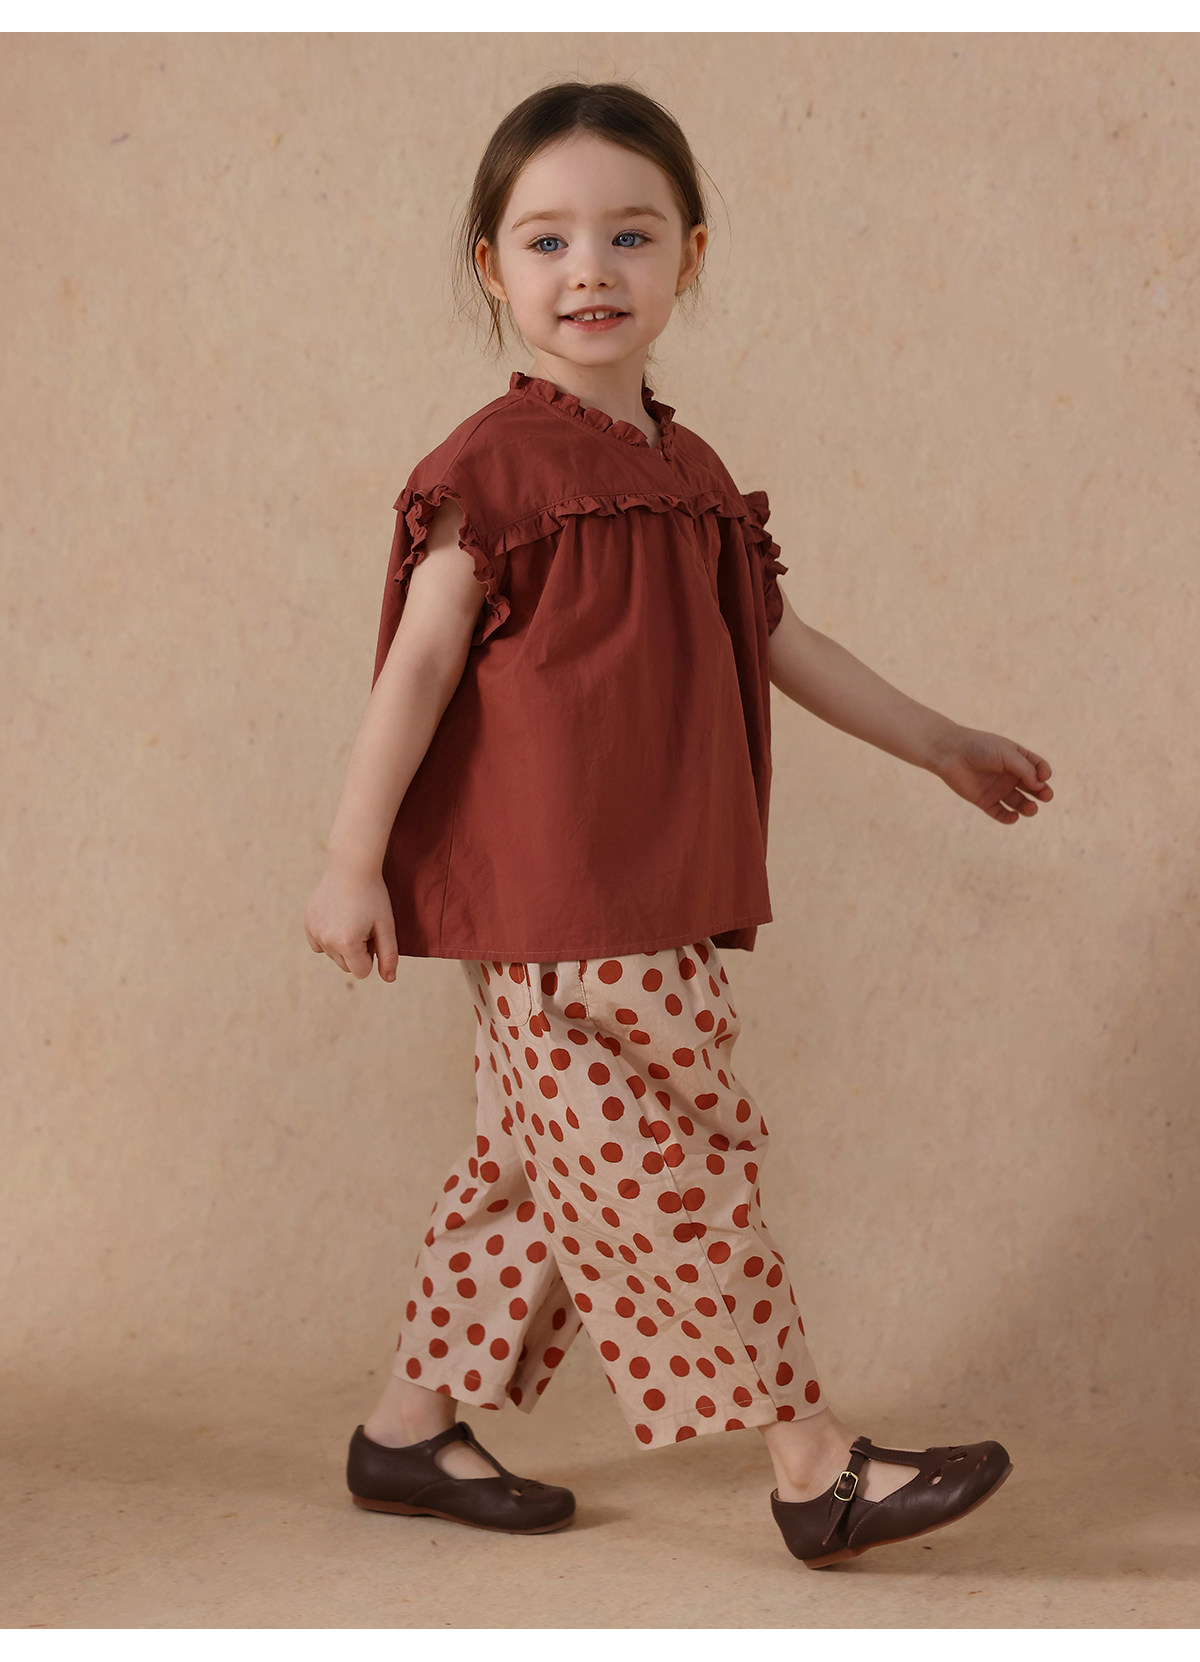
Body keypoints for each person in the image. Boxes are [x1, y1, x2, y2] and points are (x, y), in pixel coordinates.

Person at [303, 79, 1052, 1568]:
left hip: (652, 884)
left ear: (690, 256)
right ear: (491, 268)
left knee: (534, 1173)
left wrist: (938, 742)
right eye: (547, 240)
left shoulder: (689, 473)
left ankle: (402, 1432)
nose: (590, 270)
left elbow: (776, 639)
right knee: (674, 1157)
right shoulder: (492, 470)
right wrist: (350, 859)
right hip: (565, 904)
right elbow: (423, 667)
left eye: (631, 235)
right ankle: (815, 1465)